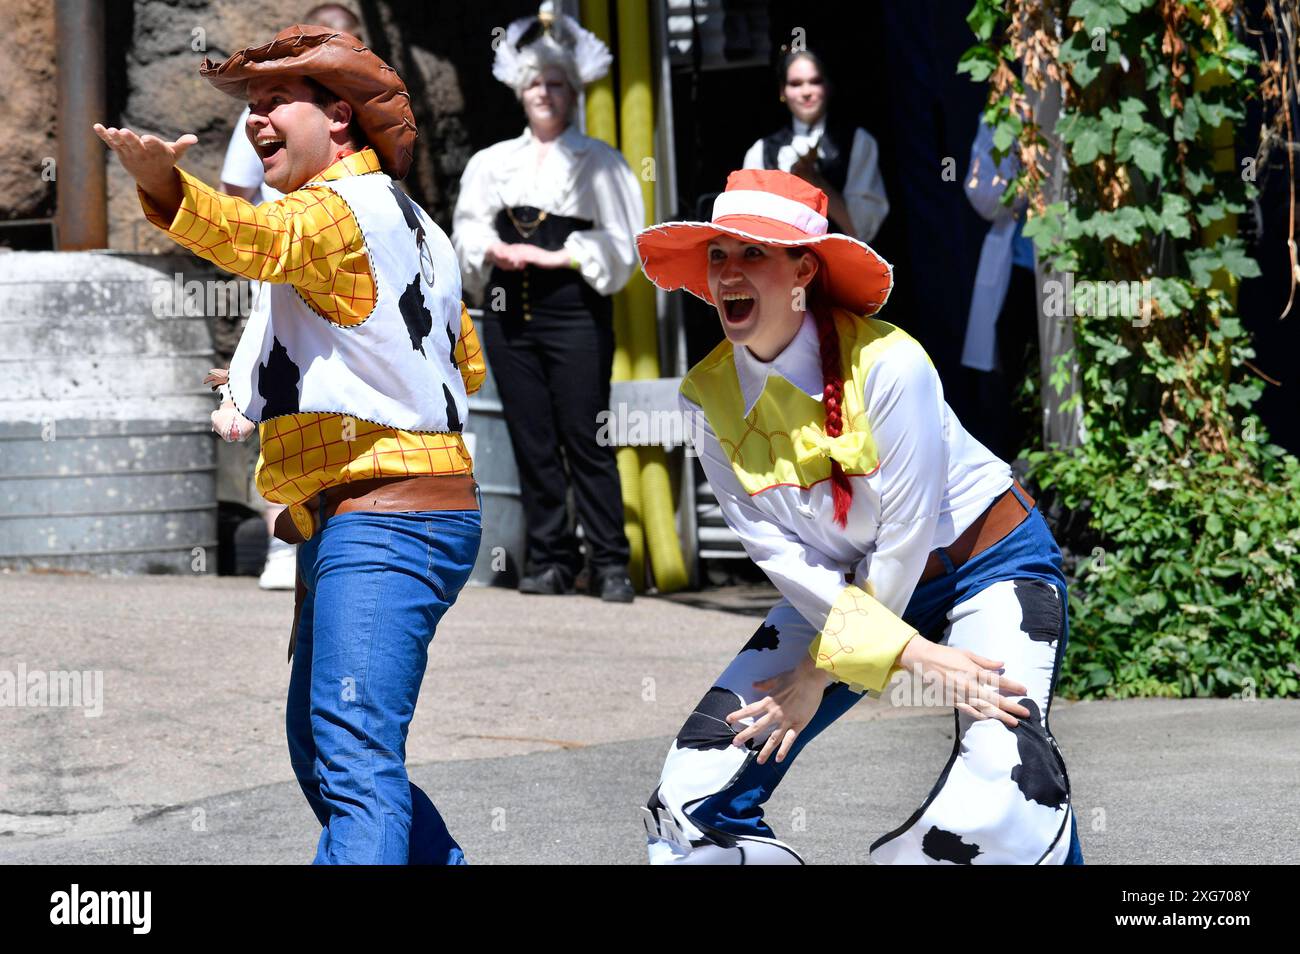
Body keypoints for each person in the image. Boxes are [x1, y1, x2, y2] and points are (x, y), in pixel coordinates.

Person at [95, 23, 486, 864]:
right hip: (388, 511)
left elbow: (255, 241)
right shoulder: (424, 227)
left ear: (340, 117)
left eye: (277, 103)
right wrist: (300, 377)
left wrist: (164, 185)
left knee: (350, 765)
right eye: (253, 108)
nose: (257, 120)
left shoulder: (328, 211)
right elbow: (462, 369)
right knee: (328, 754)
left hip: (387, 520)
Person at [634, 169, 1084, 864]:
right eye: (717, 255)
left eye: (754, 252)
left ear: (802, 271)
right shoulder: (707, 400)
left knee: (1002, 793)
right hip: (842, 596)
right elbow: (783, 560)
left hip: (985, 565)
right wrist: (896, 656)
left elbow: (901, 550)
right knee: (691, 798)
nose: (727, 271)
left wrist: (820, 673)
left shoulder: (892, 366)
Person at [452, 3, 642, 602]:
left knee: (587, 438)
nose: (546, 94)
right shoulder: (491, 163)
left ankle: (610, 563)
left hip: (574, 315)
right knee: (531, 440)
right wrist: (495, 252)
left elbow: (623, 245)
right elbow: (465, 230)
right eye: (537, 83)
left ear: (574, 90)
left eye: (557, 84)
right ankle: (551, 560)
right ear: (521, 89)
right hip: (509, 315)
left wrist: (558, 257)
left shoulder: (602, 162)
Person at [215, 4, 365, 590]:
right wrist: (260, 240)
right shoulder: (270, 113)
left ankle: (344, 525)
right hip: (278, 254)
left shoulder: (366, 113)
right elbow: (235, 188)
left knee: (341, 388)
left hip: (349, 261)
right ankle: (284, 535)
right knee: (278, 393)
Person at [742, 49, 889, 243]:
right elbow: (749, 229)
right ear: (782, 91)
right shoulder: (761, 151)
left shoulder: (857, 141)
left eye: (815, 81)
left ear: (828, 86)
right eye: (796, 84)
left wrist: (817, 183)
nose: (806, 92)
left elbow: (861, 232)